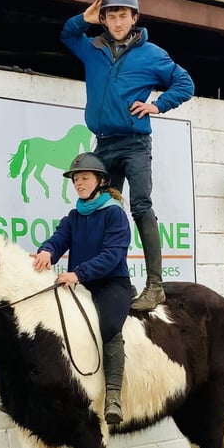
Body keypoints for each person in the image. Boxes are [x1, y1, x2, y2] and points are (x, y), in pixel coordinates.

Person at [61, 0, 194, 311]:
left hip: (134, 144)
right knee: (103, 210)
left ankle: (155, 286)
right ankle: (102, 280)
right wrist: (83, 18)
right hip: (103, 145)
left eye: (123, 15)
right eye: (111, 15)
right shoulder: (92, 48)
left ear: (134, 18)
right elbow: (66, 35)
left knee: (140, 206)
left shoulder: (152, 55)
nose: (117, 21)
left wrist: (158, 105)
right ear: (103, 19)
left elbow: (185, 83)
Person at [32, 152, 132, 424]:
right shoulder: (74, 216)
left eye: (84, 178)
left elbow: (112, 255)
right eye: (75, 179)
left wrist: (78, 273)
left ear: (100, 181)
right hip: (80, 281)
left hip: (111, 284)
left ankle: (113, 396)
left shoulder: (114, 214)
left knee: (110, 326)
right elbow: (58, 239)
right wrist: (46, 253)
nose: (78, 183)